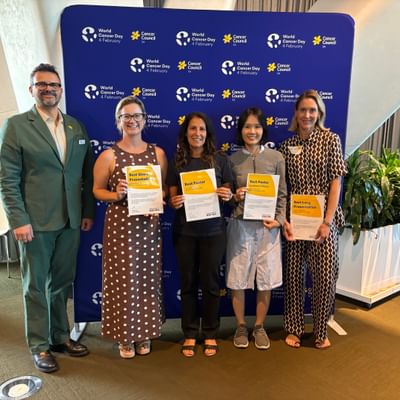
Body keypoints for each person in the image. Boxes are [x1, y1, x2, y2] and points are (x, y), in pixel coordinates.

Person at [0, 63, 95, 373]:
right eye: (41, 85)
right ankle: (39, 345)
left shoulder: (75, 127)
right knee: (35, 286)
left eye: (53, 85)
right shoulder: (15, 126)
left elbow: (83, 174)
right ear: (32, 90)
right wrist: (19, 220)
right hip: (35, 222)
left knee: (61, 283)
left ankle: (59, 337)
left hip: (71, 220)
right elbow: (7, 179)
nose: (48, 89)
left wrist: (87, 212)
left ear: (61, 90)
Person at [93, 96, 167, 359]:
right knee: (123, 281)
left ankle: (144, 332)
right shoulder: (109, 155)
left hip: (148, 227)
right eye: (126, 116)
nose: (132, 120)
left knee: (147, 280)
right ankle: (125, 336)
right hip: (120, 227)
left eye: (137, 115)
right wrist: (117, 194)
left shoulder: (157, 153)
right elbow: (96, 190)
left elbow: (161, 190)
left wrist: (159, 200)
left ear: (144, 119)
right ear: (118, 121)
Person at [279, 89, 347, 349]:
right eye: (303, 110)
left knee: (325, 276)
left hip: (323, 221)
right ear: (296, 113)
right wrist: (285, 220)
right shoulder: (286, 146)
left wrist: (327, 221)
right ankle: (295, 328)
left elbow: (335, 182)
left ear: (319, 113)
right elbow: (284, 188)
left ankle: (320, 330)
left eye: (312, 110)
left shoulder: (330, 140)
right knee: (294, 275)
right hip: (295, 221)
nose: (307, 115)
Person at [167, 112, 234, 357]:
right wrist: (174, 201)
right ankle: (190, 333)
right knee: (187, 284)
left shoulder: (220, 160)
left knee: (211, 283)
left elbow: (229, 191)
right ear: (186, 132)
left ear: (208, 133)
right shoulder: (177, 161)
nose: (197, 133)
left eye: (202, 129)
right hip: (185, 232)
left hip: (214, 232)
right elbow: (171, 196)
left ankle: (211, 333)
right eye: (193, 129)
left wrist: (226, 195)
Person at [226, 107, 286, 350]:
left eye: (257, 127)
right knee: (238, 278)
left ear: (263, 130)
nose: (252, 131)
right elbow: (225, 196)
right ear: (241, 130)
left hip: (267, 228)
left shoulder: (276, 158)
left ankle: (259, 327)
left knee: (266, 279)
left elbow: (283, 196)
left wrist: (279, 221)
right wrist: (234, 196)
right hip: (240, 226)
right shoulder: (232, 160)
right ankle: (241, 325)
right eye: (247, 127)